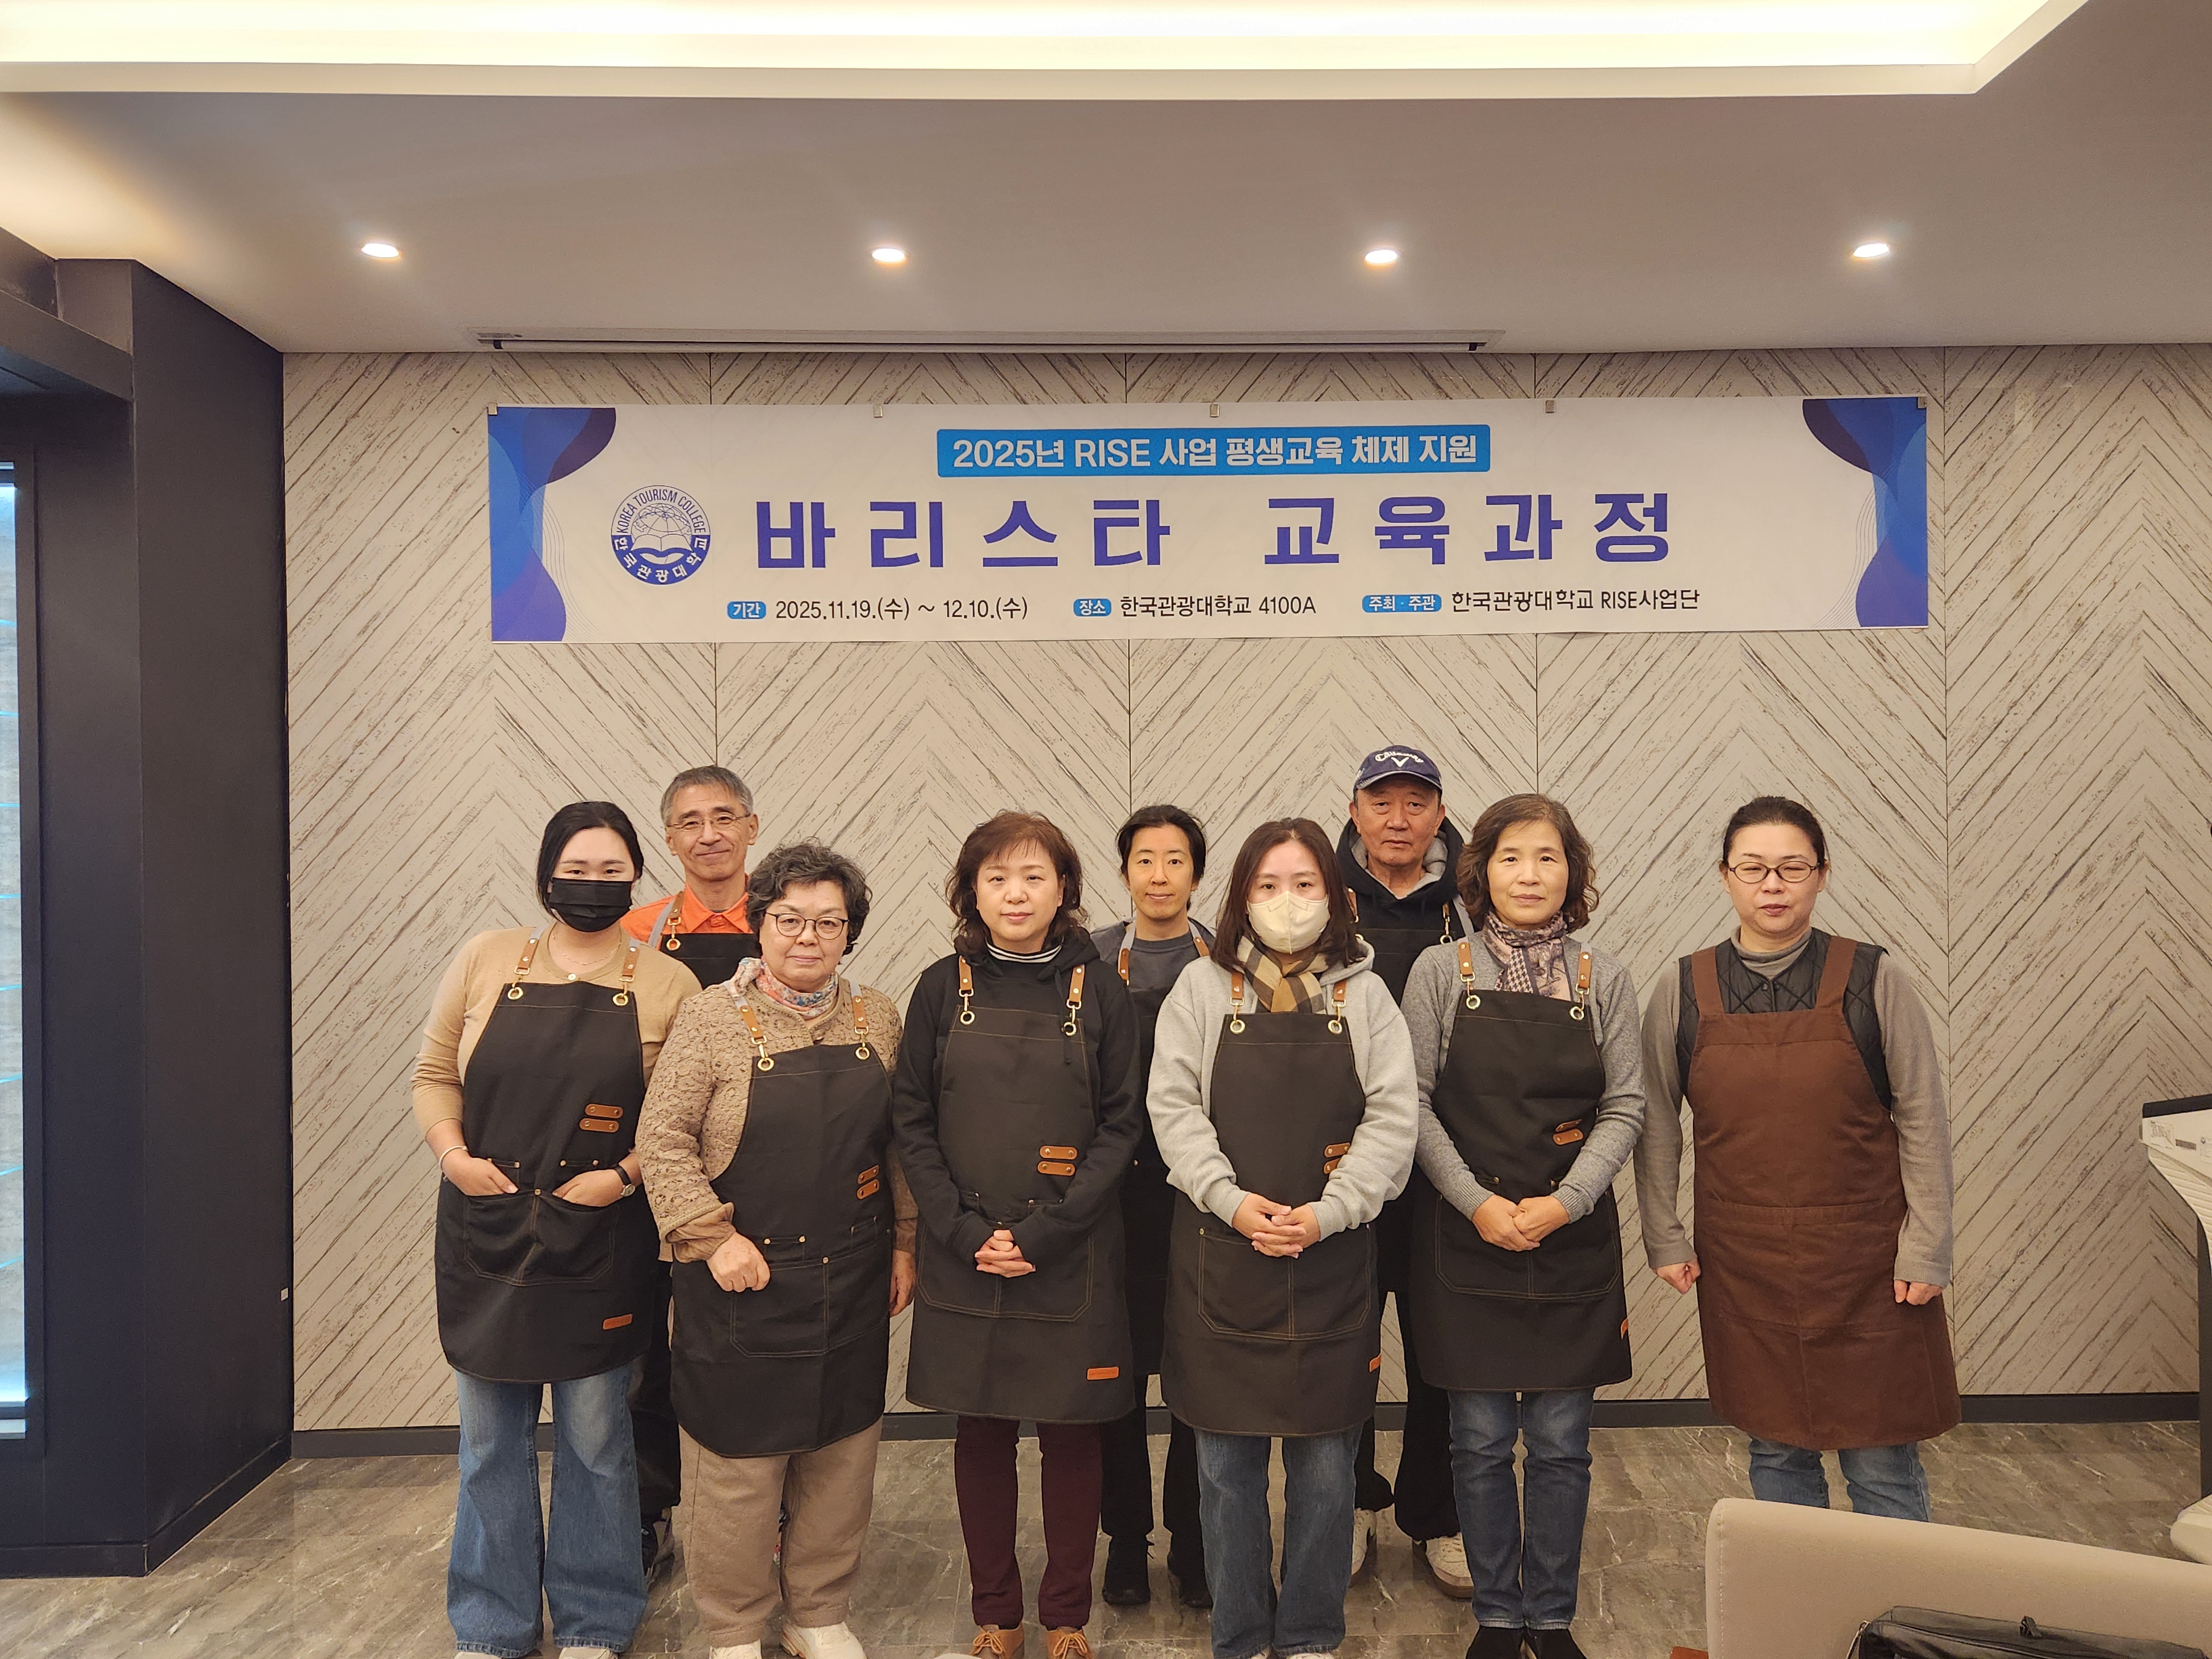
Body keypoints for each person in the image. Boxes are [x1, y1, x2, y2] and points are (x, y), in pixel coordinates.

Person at [414, 801, 701, 1659]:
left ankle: (595, 1621)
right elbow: (434, 1074)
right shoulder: (487, 957)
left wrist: (625, 1176)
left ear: (635, 879)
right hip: (488, 1231)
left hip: (600, 1240)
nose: (592, 885)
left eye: (612, 871)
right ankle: (491, 1625)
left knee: (599, 1442)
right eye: (577, 870)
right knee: (488, 1445)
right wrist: (453, 1156)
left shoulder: (668, 983)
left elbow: (683, 1115)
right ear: (546, 874)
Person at [1635, 795, 1957, 1521]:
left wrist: (1928, 1244)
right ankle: (1796, 1591)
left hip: (1868, 1262)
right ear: (1726, 876)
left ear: (1822, 875)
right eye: (1753, 868)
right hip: (1744, 1260)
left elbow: (1922, 1115)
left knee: (1880, 1455)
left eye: (1792, 868)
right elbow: (1655, 1120)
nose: (1773, 885)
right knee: (1776, 1448)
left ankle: (1899, 1595)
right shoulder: (1684, 987)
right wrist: (1664, 1234)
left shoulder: (1875, 977)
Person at [635, 841, 915, 1659]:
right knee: (737, 1469)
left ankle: (818, 1614)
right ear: (759, 924)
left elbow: (899, 1146)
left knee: (842, 1452)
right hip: (741, 1283)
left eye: (828, 922)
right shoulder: (710, 1018)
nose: (807, 937)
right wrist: (711, 1237)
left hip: (854, 1273)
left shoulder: (878, 1017)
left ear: (849, 932)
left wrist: (906, 1243)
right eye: (789, 919)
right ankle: (732, 1628)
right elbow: (663, 1140)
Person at [1149, 818, 1417, 1659]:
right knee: (1225, 1474)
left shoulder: (1365, 995)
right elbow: (1173, 1109)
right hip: (1221, 1260)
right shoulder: (1201, 989)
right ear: (1241, 897)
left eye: (1305, 884)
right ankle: (1238, 1635)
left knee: (1328, 1474)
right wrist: (1230, 1202)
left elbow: (1394, 1117)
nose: (1288, 901)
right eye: (1268, 885)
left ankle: (1307, 1634)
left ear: (1334, 896)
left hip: (1332, 1259)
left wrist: (1331, 1211)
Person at [891, 811, 1143, 1659]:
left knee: (1073, 1433)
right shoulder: (941, 986)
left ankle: (1066, 1616)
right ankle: (996, 1616)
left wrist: (1048, 1232)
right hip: (965, 1247)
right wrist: (961, 1231)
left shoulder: (1101, 990)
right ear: (972, 891)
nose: (1016, 893)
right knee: (982, 1433)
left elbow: (1123, 1127)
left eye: (1034, 876)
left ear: (1064, 889)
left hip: (1071, 1251)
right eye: (997, 877)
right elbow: (911, 1120)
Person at [1401, 794, 1645, 1659]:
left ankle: (1553, 1615)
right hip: (1467, 1237)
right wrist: (1477, 1202)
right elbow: (1411, 1104)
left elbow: (1626, 1105)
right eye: (1511, 857)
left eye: (1548, 857)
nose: (1530, 875)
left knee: (1561, 1446)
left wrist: (1566, 1201)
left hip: (1570, 1239)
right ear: (1482, 872)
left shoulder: (1602, 977)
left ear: (1572, 872)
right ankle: (1499, 1618)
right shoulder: (1442, 972)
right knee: (1476, 1443)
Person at [1335, 744, 1474, 1596]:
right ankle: (1348, 1503)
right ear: (1354, 811)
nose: (1398, 818)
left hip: (1444, 1167)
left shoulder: (1473, 901)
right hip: (1342, 1168)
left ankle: (1439, 1516)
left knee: (1440, 1355)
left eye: (1415, 803)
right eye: (1380, 802)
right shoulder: (1320, 896)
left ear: (1439, 814)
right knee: (1346, 1346)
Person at [620, 763, 763, 1574]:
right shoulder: (636, 930)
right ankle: (649, 1513)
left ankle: (768, 1513)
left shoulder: (784, 918)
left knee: (753, 1349)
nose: (709, 835)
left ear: (752, 827)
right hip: (656, 1165)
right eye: (689, 822)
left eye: (724, 817)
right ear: (669, 839)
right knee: (647, 1360)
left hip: (759, 1168)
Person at [1091, 805, 1214, 1611]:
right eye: (1145, 860)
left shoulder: (1227, 959)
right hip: (1114, 1195)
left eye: (1175, 860)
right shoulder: (1094, 959)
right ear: (1126, 871)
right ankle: (1127, 1540)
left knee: (1201, 1377)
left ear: (1196, 874)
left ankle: (1195, 1542)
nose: (1160, 875)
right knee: (1120, 1378)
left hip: (1202, 1193)